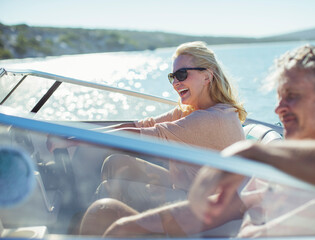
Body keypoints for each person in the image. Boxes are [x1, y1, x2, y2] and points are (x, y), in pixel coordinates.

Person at [80, 44, 315, 238]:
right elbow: (214, 210)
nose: (278, 109)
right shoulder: (281, 169)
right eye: (279, 97)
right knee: (106, 215)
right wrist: (132, 225)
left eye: (293, 96)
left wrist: (258, 154)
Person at [78, 41, 247, 234]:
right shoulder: (192, 110)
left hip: (205, 214)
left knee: (103, 209)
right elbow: (141, 125)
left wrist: (78, 140)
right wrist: (79, 134)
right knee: (117, 163)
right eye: (172, 77)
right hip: (190, 189)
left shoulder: (210, 118)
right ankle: (129, 229)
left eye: (182, 74)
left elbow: (144, 136)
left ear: (207, 76)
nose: (176, 82)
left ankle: (114, 225)